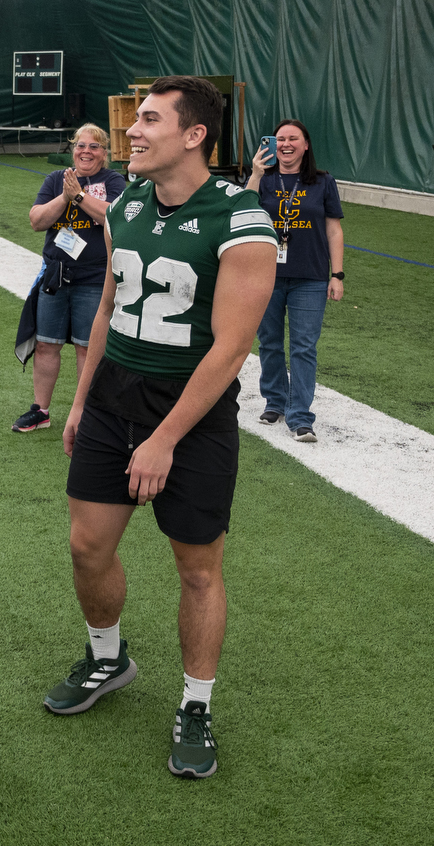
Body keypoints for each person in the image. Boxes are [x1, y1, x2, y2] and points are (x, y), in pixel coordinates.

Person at [44, 76, 277, 779]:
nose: (131, 133)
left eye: (148, 120)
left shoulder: (242, 221)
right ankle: (107, 656)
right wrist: (83, 401)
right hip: (116, 397)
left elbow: (231, 348)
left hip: (193, 416)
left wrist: (166, 438)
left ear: (194, 134)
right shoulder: (130, 202)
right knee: (88, 546)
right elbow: (110, 302)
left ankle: (197, 704)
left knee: (198, 570)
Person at [13, 124, 125, 432]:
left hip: (94, 279)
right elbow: (37, 221)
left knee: (87, 348)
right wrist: (65, 196)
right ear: (72, 149)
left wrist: (78, 196)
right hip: (55, 277)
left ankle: (86, 412)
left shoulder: (114, 180)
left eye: (94, 146)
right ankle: (41, 410)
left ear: (105, 153)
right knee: (47, 345)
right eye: (80, 146)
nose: (86, 151)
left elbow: (113, 217)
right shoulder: (56, 179)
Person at [246, 120, 344, 443]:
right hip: (267, 275)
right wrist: (256, 174)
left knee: (303, 347)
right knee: (269, 342)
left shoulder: (323, 182)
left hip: (310, 277)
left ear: (305, 145)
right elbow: (242, 211)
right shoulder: (265, 179)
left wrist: (337, 274)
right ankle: (275, 400)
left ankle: (300, 415)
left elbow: (333, 229)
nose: (285, 144)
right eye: (279, 139)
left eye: (292, 139)